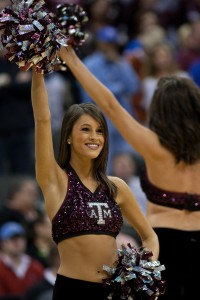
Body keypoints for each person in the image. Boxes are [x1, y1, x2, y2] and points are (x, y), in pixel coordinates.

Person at [59, 45, 200, 300]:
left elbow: (110, 106)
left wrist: (72, 59)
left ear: (160, 109)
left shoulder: (153, 145)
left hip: (164, 243)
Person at [30, 68, 159, 300]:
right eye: (85, 130)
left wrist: (142, 270)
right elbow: (42, 118)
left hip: (113, 293)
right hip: (72, 291)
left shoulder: (116, 186)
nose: (94, 137)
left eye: (100, 131)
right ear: (68, 136)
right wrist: (37, 70)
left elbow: (149, 236)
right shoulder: (55, 180)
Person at [0, 222, 44, 298]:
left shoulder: (36, 266)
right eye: (12, 239)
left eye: (20, 238)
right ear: (2, 243)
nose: (17, 243)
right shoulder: (1, 267)